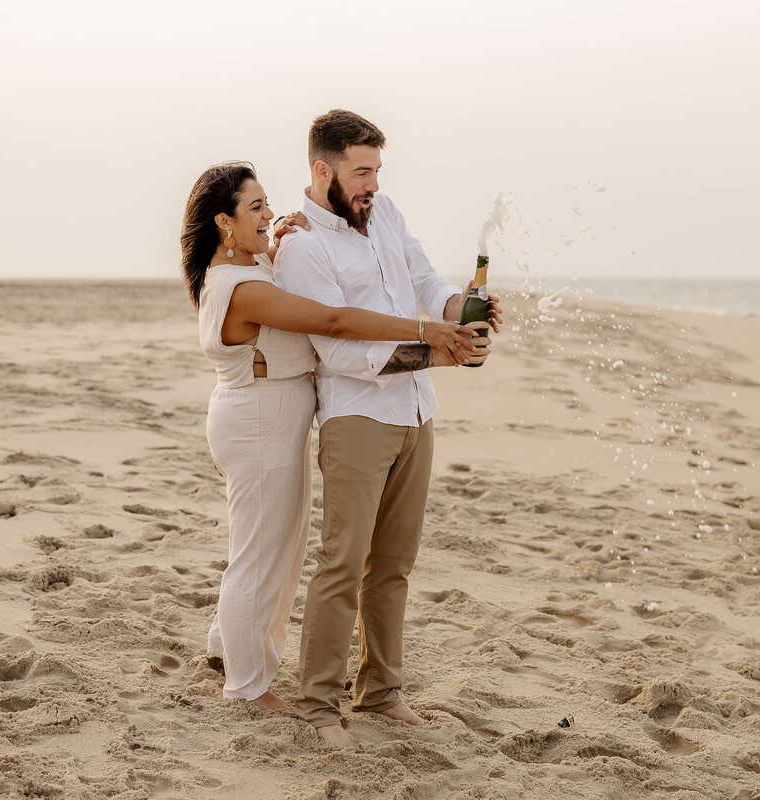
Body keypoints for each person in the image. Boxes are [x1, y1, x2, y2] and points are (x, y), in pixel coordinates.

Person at [180, 161, 487, 712]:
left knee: (273, 547)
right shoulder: (240, 286)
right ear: (224, 222)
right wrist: (427, 333)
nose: (270, 213)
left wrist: (274, 241)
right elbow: (335, 323)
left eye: (268, 203)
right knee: (261, 552)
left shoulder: (247, 267)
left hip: (270, 414)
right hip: (258, 419)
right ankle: (247, 687)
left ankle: (228, 647)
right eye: (256, 208)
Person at [275, 110, 502, 746]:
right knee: (343, 562)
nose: (373, 182)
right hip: (357, 418)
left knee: (394, 564)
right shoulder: (301, 247)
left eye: (377, 169)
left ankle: (380, 692)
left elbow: (424, 279)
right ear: (323, 170)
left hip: (415, 411)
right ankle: (319, 703)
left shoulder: (386, 212)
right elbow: (340, 349)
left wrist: (461, 308)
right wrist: (442, 352)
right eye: (361, 170)